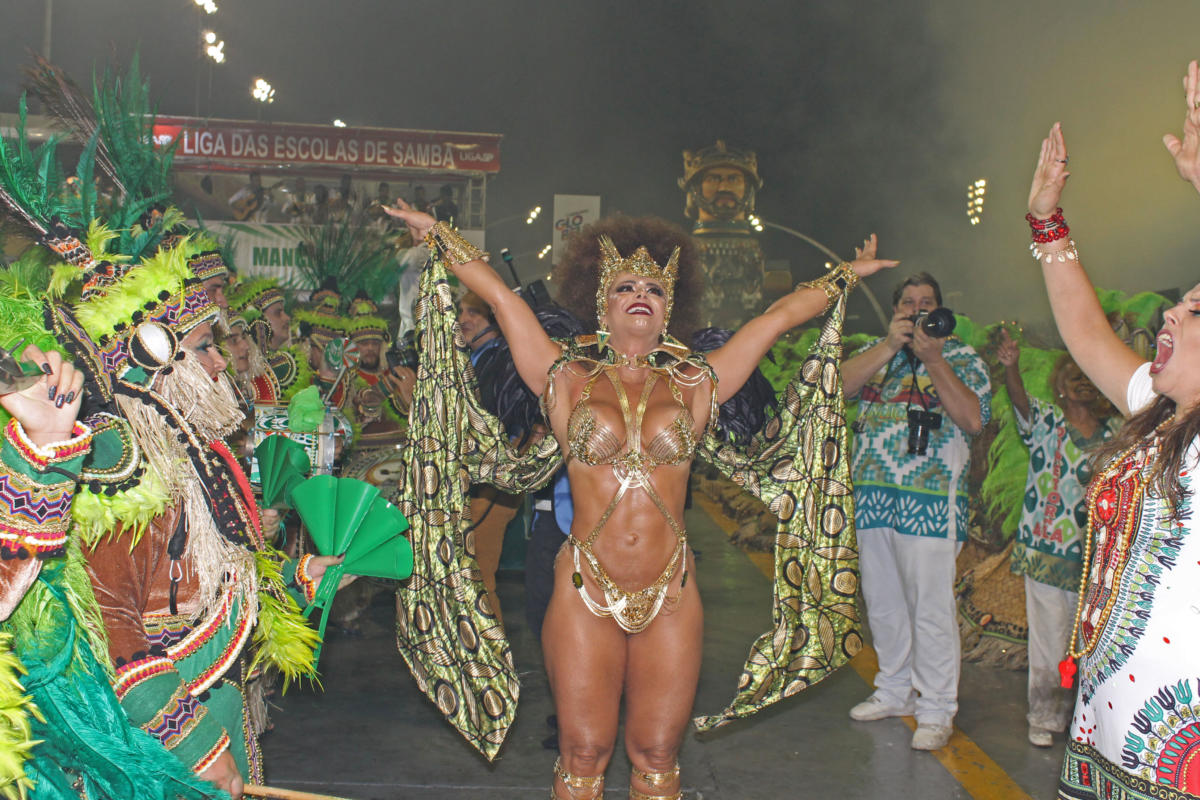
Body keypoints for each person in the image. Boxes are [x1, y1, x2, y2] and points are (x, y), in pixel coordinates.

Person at [384, 201, 895, 798]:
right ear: (602, 301)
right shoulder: (563, 376)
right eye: (625, 285)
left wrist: (845, 276)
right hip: (584, 588)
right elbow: (501, 298)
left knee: (656, 756)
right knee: (583, 753)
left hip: (672, 591)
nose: (641, 294)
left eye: (654, 287)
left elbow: (776, 319)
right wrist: (440, 238)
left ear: (668, 307)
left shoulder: (698, 382)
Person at [1025, 60, 1200, 800]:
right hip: (1104, 739)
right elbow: (1086, 332)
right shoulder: (1158, 418)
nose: (1170, 313)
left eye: (1195, 312)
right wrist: (1046, 222)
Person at [841, 272, 991, 751]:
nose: (918, 310)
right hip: (873, 498)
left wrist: (934, 359)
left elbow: (972, 419)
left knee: (930, 607)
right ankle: (894, 689)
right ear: (895, 310)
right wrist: (889, 346)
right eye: (909, 303)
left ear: (944, 311)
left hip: (931, 502)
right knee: (883, 601)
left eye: (928, 303)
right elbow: (836, 389)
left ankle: (936, 708)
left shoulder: (962, 357)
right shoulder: (876, 351)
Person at [996, 331, 1120, 749]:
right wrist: (1010, 367)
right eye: (1074, 378)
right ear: (1060, 388)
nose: (1082, 384)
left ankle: (1083, 720)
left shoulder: (1116, 430)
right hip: (1046, 553)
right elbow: (1019, 402)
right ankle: (1045, 716)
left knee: (1090, 641)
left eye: (1090, 378)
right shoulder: (1047, 421)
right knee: (1049, 640)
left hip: (1096, 558)